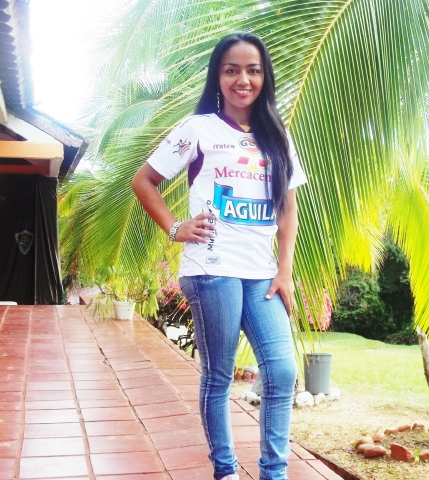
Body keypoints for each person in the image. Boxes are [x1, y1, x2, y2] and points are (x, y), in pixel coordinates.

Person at [132, 32, 307, 480]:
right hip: (211, 269)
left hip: (262, 272)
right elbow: (143, 181)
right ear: (218, 76)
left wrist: (285, 269)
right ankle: (226, 471)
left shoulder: (278, 136)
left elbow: (288, 208)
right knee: (219, 375)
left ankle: (274, 473)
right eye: (232, 70)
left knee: (282, 371)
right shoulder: (198, 128)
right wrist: (175, 227)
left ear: (264, 77)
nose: (242, 79)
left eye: (252, 70)